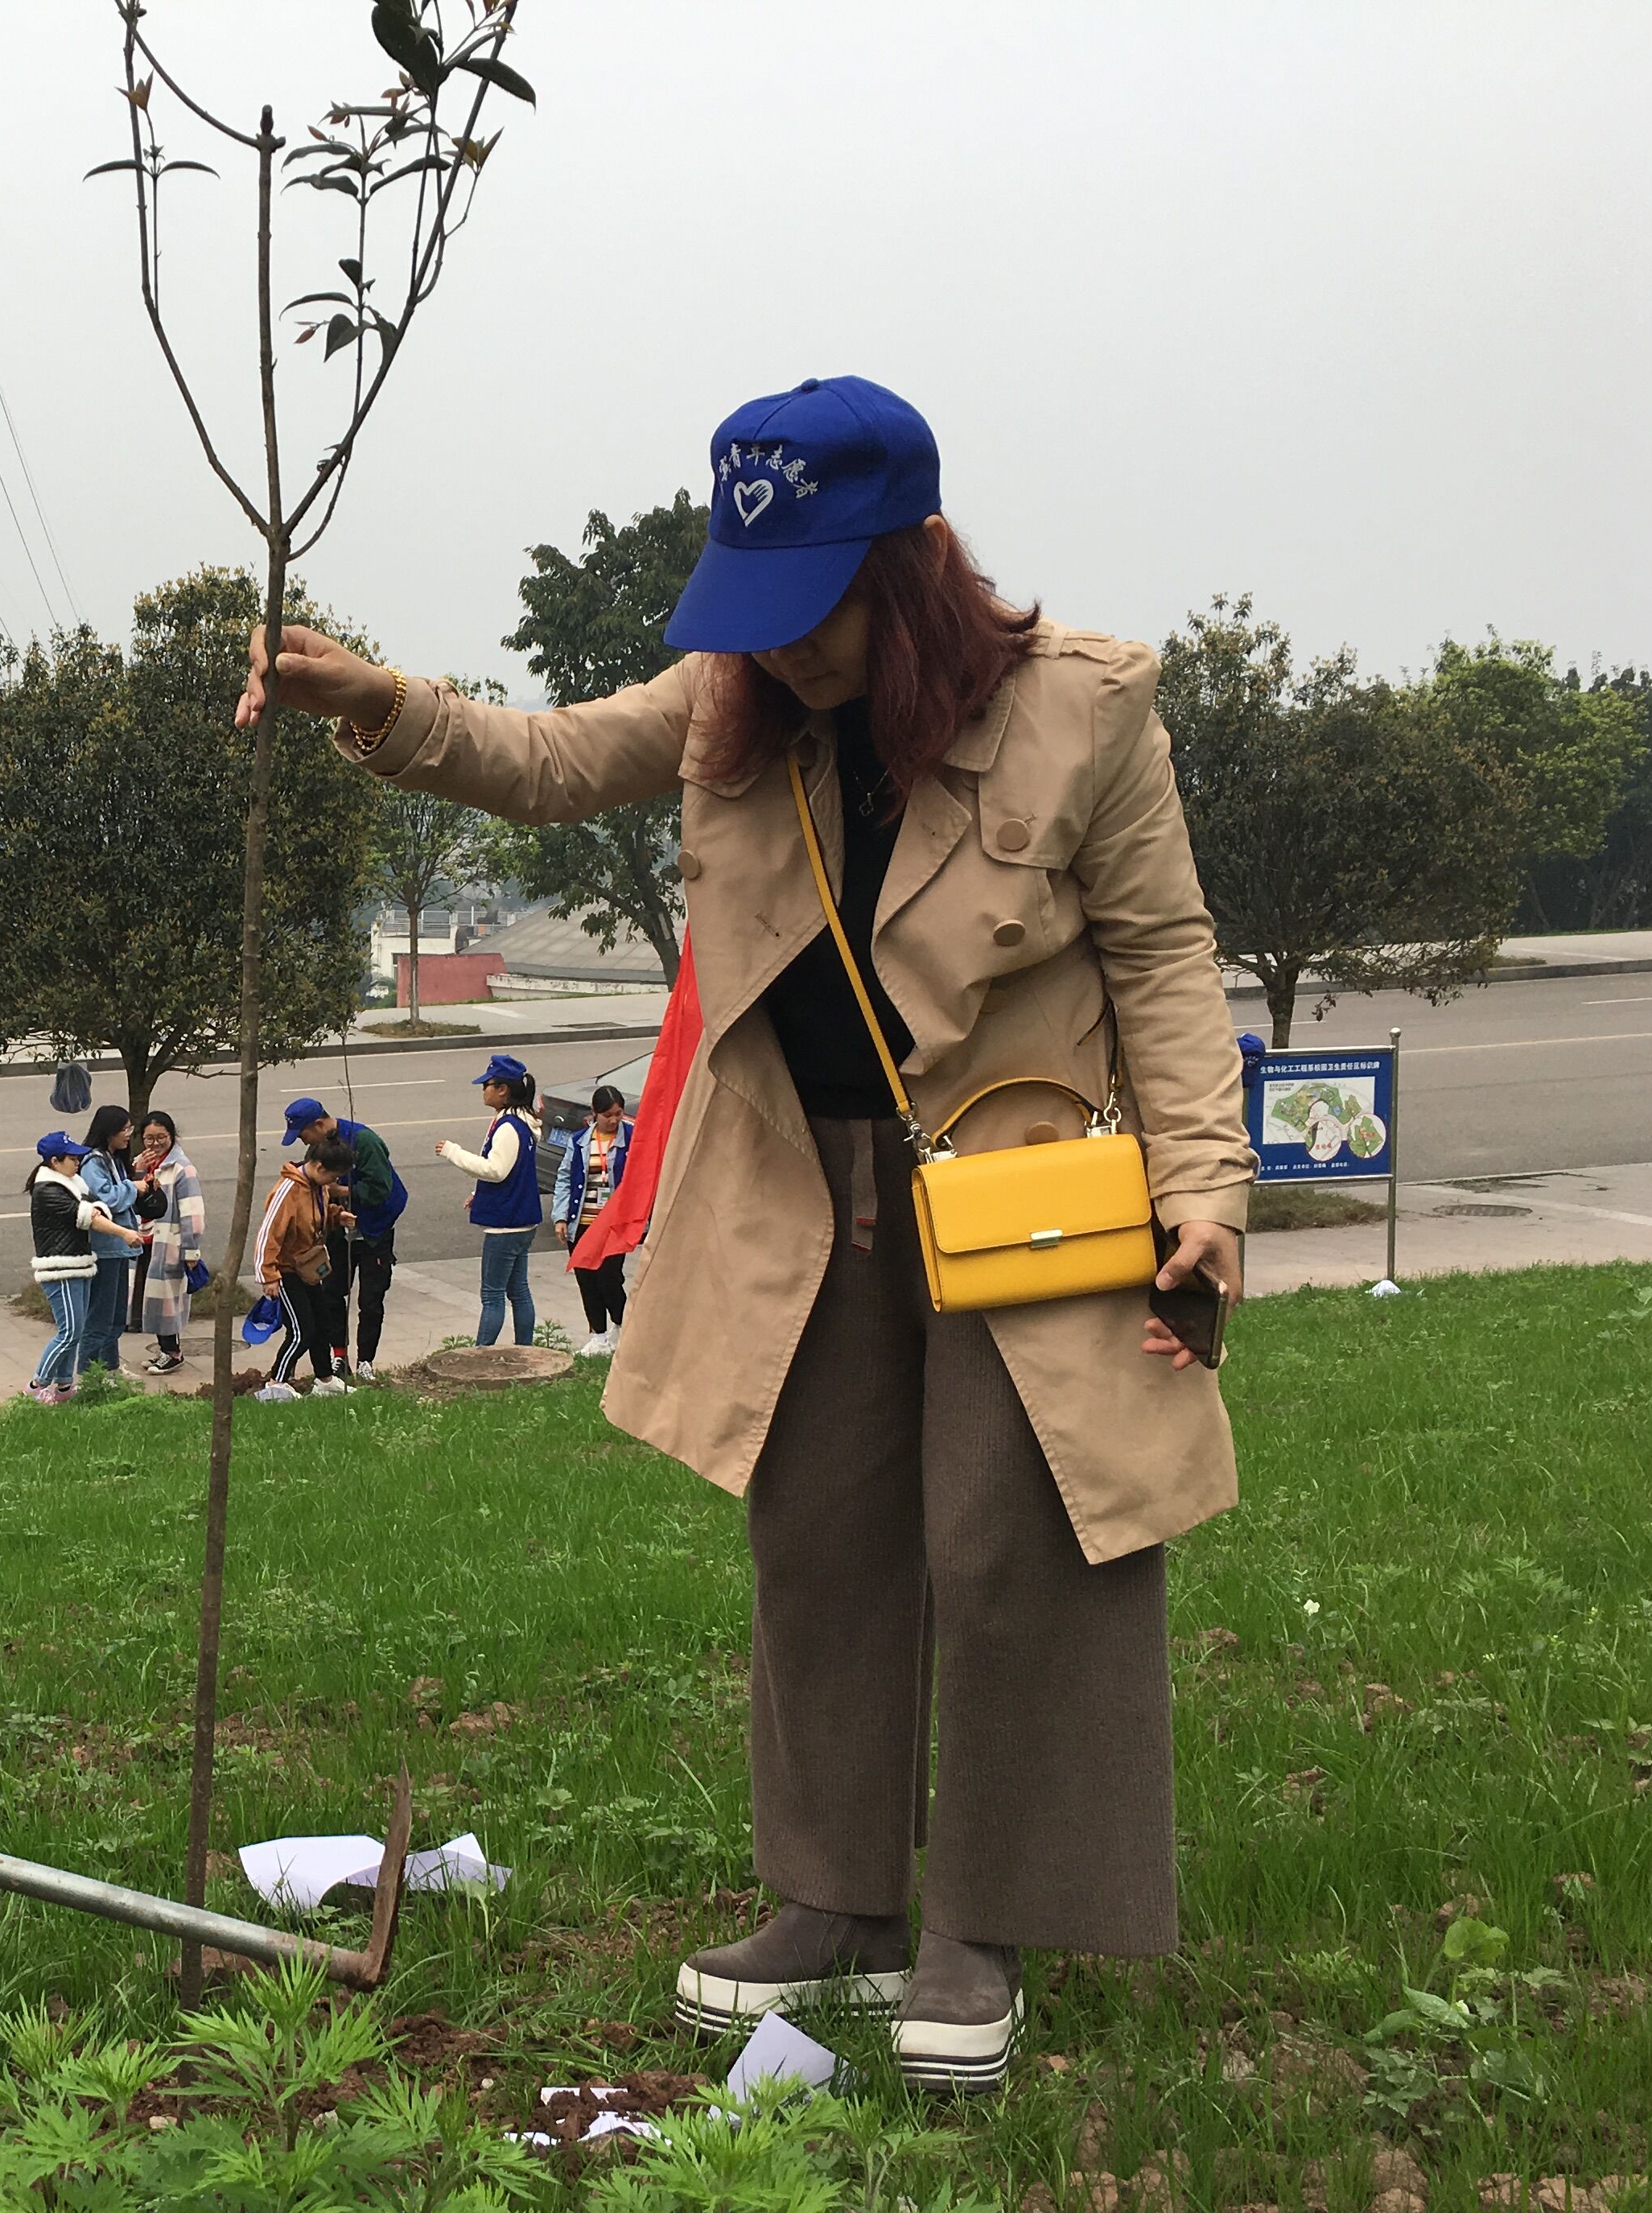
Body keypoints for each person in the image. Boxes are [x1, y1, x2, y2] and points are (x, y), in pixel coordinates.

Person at [241, 373, 1251, 2092]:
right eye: (756, 607)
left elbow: (1163, 955)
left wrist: (1208, 1192)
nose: (781, 646)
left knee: (1008, 1544)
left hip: (1017, 1191)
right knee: (818, 1537)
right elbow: (548, 759)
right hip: (804, 1185)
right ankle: (838, 1902)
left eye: (816, 607)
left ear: (908, 571)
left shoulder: (1085, 710)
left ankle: (980, 1929)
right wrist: (382, 702)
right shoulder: (732, 702)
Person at [282, 1096, 406, 1374]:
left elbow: (381, 1189)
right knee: (331, 1294)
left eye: (303, 1134)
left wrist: (340, 1191)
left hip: (374, 1229)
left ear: (318, 1124)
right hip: (338, 1231)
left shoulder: (364, 1141)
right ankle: (339, 1356)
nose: (303, 1141)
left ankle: (366, 1361)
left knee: (371, 1300)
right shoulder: (316, 1150)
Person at [435, 1055, 544, 1347]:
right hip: (523, 1220)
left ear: (502, 1090)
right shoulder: (522, 1122)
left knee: (493, 1295)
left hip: (505, 1225)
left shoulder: (509, 1126)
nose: (483, 1090)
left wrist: (453, 1152)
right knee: (519, 1291)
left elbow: (496, 1170)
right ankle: (525, 1350)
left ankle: (480, 1354)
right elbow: (513, 1171)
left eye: (487, 1085)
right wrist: (479, 1194)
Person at [27, 1134, 142, 1404]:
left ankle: (64, 1387)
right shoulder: (49, 1190)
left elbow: (95, 1206)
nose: (78, 1162)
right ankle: (36, 1386)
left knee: (74, 1333)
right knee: (68, 1333)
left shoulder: (72, 1183)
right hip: (61, 1270)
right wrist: (124, 1233)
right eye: (72, 1158)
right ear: (55, 1162)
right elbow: (88, 1217)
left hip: (79, 1265)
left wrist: (98, 1211)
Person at [253, 1133, 355, 1403]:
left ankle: (325, 1379)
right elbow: (269, 1233)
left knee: (322, 1324)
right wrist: (268, 1275)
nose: (334, 1183)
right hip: (285, 1270)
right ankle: (276, 1382)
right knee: (302, 1331)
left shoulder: (318, 1187)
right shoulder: (288, 1190)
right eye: (333, 1177)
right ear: (319, 1167)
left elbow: (315, 1215)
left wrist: (336, 1216)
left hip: (307, 1268)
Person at [555, 1085, 638, 1354]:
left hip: (612, 1226)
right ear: (594, 1113)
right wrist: (561, 1217)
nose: (613, 1120)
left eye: (618, 1114)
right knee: (587, 1279)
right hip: (583, 1222)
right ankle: (598, 1335)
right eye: (607, 1115)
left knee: (609, 1278)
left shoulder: (633, 1138)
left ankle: (623, 1324)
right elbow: (565, 1178)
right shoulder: (580, 1141)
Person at [131, 1111, 206, 1374]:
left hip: (169, 1243)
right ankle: (165, 1351)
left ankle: (173, 1353)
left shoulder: (182, 1168)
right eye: (149, 1138)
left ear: (172, 1136)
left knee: (167, 1301)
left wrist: (191, 1249)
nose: (155, 1143)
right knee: (154, 1299)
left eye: (161, 1137)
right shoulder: (144, 1164)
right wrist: (138, 1170)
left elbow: (193, 1212)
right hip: (146, 1240)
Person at [73, 1107, 144, 1377]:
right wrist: (133, 1188)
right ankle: (89, 1375)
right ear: (109, 1131)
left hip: (119, 1249)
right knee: (100, 1317)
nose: (128, 1134)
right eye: (124, 1129)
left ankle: (111, 1368)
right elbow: (106, 1199)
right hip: (105, 1249)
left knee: (115, 1316)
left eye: (130, 1128)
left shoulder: (113, 1158)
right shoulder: (94, 1162)